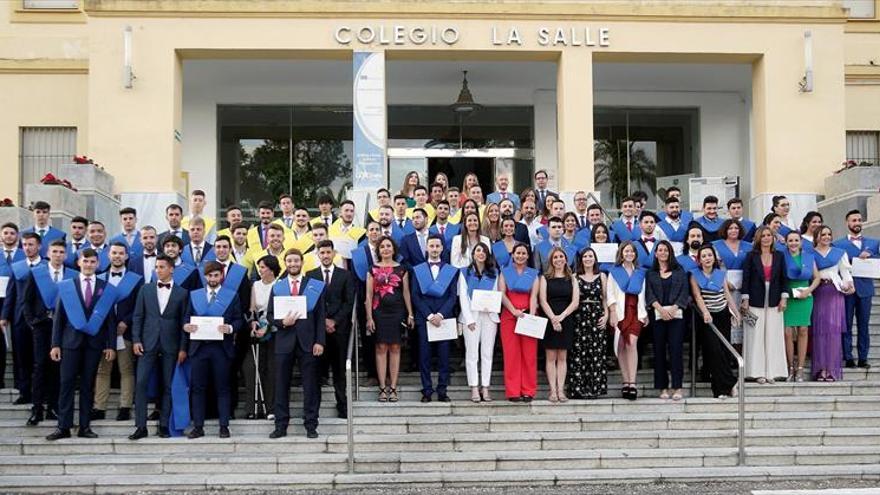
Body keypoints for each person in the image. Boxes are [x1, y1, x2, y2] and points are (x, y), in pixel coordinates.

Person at [45, 248, 117, 441]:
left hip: (94, 344)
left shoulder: (105, 287)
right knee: (66, 384)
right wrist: (55, 344)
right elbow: (58, 318)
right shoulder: (68, 286)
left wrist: (110, 345)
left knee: (87, 386)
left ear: (98, 264)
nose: (89, 265)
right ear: (78, 263)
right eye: (85, 261)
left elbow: (110, 319)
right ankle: (63, 427)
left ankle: (85, 426)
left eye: (93, 262)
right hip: (70, 343)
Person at [128, 253, 190, 440]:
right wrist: (136, 340)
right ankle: (140, 426)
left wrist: (182, 348)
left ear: (171, 269)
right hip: (147, 342)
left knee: (168, 385)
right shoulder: (145, 290)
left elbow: (184, 322)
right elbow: (138, 316)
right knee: (141, 383)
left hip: (171, 344)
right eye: (156, 267)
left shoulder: (182, 293)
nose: (158, 270)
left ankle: (164, 425)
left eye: (162, 267)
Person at [267, 249, 326, 439]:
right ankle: (280, 425)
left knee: (311, 385)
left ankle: (311, 424)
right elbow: (269, 315)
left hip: (308, 342)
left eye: (296, 261)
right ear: (285, 263)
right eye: (289, 261)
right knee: (281, 385)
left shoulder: (314, 286)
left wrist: (320, 341)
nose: (293, 264)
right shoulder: (278, 287)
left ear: (301, 263)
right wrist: (282, 322)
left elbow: (320, 316)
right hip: (284, 342)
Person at [183, 261, 245, 439]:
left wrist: (231, 328)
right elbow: (186, 318)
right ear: (205, 276)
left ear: (221, 276)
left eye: (216, 275)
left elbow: (239, 320)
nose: (213, 278)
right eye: (210, 275)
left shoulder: (231, 296)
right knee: (198, 389)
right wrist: (186, 326)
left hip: (221, 349)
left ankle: (224, 426)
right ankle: (198, 427)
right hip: (199, 348)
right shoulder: (195, 295)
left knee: (223, 388)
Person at [22, 239, 77, 425]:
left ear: (66, 255)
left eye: (61, 252)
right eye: (55, 252)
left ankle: (53, 407)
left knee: (57, 368)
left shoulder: (72, 275)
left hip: (62, 327)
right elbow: (26, 300)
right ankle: (37, 408)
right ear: (48, 253)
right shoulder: (37, 274)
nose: (58, 255)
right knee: (40, 367)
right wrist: (32, 322)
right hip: (42, 327)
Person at [92, 242, 143, 422]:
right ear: (108, 254)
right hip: (103, 332)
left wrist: (125, 322)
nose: (117, 256)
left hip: (125, 330)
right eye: (114, 253)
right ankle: (99, 407)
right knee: (102, 370)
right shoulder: (98, 278)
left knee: (126, 370)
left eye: (121, 253)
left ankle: (125, 406)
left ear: (127, 256)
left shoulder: (135, 279)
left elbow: (139, 305)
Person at [306, 240, 355, 418]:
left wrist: (334, 321)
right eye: (322, 253)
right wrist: (323, 322)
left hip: (339, 330)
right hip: (318, 332)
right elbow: (310, 302)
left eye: (328, 252)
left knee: (340, 371)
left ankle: (343, 406)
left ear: (334, 254)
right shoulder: (310, 275)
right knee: (317, 372)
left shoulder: (345, 275)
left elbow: (349, 302)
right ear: (318, 255)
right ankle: (314, 409)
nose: (325, 256)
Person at [411, 235, 459, 403]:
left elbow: (453, 296)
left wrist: (440, 315)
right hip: (425, 319)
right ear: (427, 248)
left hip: (444, 319)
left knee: (444, 357)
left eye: (437, 246)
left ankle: (442, 389)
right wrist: (430, 315)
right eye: (431, 246)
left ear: (442, 248)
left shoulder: (450, 270)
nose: (434, 249)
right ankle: (427, 390)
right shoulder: (418, 270)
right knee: (424, 357)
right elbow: (415, 295)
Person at [366, 237, 413, 403]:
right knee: (380, 347)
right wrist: (369, 317)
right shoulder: (372, 269)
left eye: (388, 246)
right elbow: (369, 295)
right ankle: (382, 388)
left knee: (395, 347)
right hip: (379, 312)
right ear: (378, 250)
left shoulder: (402, 269)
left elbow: (406, 292)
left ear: (393, 249)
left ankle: (393, 387)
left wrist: (410, 313)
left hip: (397, 312)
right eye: (382, 247)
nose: (385, 249)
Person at [690, 244, 740, 398]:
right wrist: (705, 313)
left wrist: (736, 312)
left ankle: (728, 386)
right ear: (699, 259)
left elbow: (727, 294)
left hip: (723, 314)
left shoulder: (720, 274)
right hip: (707, 317)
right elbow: (698, 296)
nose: (707, 258)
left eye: (709, 255)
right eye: (703, 256)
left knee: (725, 351)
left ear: (714, 257)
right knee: (714, 352)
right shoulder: (694, 275)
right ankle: (723, 388)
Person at [741, 225, 789, 383]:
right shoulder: (750, 256)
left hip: (775, 299)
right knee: (755, 335)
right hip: (755, 299)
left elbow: (784, 278)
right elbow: (746, 278)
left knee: (773, 335)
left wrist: (784, 298)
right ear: (758, 239)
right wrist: (745, 299)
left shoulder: (780, 256)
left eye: (769, 235)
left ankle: (772, 372)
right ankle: (756, 372)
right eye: (763, 236)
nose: (766, 238)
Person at [2, 231, 44, 405]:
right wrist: (4, 315)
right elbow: (10, 293)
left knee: (40, 359)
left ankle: (41, 393)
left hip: (41, 319)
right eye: (25, 245)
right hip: (20, 318)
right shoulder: (17, 267)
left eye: (31, 244)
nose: (27, 248)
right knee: (22, 357)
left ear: (39, 246)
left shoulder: (46, 266)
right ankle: (24, 391)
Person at [833, 209, 878, 369]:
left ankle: (863, 357)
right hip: (847, 289)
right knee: (846, 324)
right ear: (847, 223)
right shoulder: (838, 244)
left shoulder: (873, 243)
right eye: (854, 220)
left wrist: (871, 256)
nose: (857, 223)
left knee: (864, 325)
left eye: (859, 220)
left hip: (865, 288)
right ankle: (848, 356)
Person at [646, 241, 690, 400]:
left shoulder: (679, 271)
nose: (663, 252)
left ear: (670, 253)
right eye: (660, 250)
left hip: (676, 316)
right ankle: (662, 387)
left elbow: (685, 293)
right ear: (655, 253)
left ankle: (677, 387)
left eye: (666, 250)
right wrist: (661, 309)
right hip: (658, 316)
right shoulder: (650, 273)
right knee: (659, 352)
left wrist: (673, 308)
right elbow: (649, 295)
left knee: (676, 351)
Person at [457, 243, 499, 402]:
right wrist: (468, 319)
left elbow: (496, 293)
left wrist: (492, 306)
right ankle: (474, 387)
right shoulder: (464, 272)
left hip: (489, 317)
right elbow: (462, 296)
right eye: (478, 250)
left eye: (484, 251)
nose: (481, 253)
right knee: (472, 354)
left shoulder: (494, 273)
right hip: (471, 319)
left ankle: (485, 388)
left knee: (487, 354)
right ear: (473, 254)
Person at [499, 243, 540, 402]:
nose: (520, 256)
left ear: (528, 256)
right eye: (518, 253)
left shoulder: (533, 274)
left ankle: (528, 391)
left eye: (524, 253)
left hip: (528, 316)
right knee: (511, 354)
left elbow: (534, 296)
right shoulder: (504, 272)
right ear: (513, 255)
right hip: (509, 315)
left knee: (529, 355)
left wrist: (528, 315)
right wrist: (514, 311)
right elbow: (501, 294)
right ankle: (513, 391)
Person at [812, 225, 853, 382]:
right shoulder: (810, 254)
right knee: (820, 332)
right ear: (817, 236)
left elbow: (845, 273)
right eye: (823, 234)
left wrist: (849, 284)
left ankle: (832, 369)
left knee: (833, 332)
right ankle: (820, 369)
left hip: (834, 293)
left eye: (829, 234)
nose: (827, 237)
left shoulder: (839, 253)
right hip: (818, 292)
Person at [607, 241, 647, 400]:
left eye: (632, 251)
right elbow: (609, 293)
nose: (629, 254)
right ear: (621, 253)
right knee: (622, 345)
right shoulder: (614, 272)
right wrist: (612, 312)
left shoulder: (640, 272)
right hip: (620, 312)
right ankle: (625, 382)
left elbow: (643, 294)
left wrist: (645, 314)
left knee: (632, 343)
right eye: (626, 251)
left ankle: (633, 382)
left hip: (636, 310)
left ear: (635, 254)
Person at [539, 247, 579, 403]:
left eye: (561, 256)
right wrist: (553, 319)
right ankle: (553, 391)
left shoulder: (572, 278)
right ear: (551, 260)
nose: (558, 259)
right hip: (550, 318)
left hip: (566, 318)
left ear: (566, 259)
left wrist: (561, 317)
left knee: (562, 357)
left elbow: (575, 302)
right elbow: (543, 300)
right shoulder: (545, 278)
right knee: (550, 356)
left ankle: (561, 390)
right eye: (555, 257)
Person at [243, 255, 280, 420]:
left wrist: (267, 328)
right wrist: (253, 324)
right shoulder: (255, 285)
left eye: (263, 267)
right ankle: (252, 408)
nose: (260, 270)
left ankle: (270, 408)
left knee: (271, 370)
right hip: (257, 332)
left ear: (271, 269)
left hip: (274, 332)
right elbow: (252, 310)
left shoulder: (279, 285)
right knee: (252, 369)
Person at [568, 248, 608, 399]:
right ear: (581, 259)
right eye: (585, 256)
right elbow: (574, 300)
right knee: (579, 353)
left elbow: (605, 298)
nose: (588, 259)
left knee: (596, 353)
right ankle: (578, 389)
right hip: (580, 316)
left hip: (597, 315)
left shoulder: (602, 276)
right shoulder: (575, 276)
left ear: (595, 258)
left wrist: (606, 314)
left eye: (590, 256)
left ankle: (594, 388)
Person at [782, 231, 821, 382]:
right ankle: (789, 366)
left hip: (805, 295)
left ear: (801, 242)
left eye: (796, 240)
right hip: (788, 296)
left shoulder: (808, 257)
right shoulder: (782, 256)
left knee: (803, 330)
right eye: (790, 240)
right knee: (788, 332)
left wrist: (809, 290)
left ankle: (800, 368)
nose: (793, 243)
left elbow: (816, 277)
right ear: (786, 242)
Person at [713, 219, 752, 348]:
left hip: (745, 287)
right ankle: (728, 352)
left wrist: (745, 283)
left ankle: (745, 350)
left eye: (736, 228)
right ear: (725, 230)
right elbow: (712, 267)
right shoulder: (715, 245)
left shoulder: (749, 246)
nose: (734, 230)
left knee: (746, 317)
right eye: (730, 228)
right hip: (724, 286)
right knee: (728, 319)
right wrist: (723, 282)